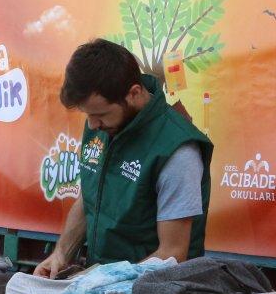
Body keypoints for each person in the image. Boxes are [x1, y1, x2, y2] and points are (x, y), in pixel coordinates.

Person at [35, 39, 213, 277]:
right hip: (99, 285)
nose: (92, 125)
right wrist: (61, 254)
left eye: (100, 115)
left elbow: (173, 254)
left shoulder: (178, 150)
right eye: (87, 115)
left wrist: (99, 280)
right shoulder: (104, 125)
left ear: (134, 93)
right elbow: (90, 197)